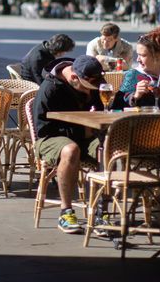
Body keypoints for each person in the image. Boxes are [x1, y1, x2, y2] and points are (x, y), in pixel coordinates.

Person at [112, 25, 160, 203]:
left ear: (158, 56)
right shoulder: (134, 76)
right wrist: (135, 96)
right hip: (138, 136)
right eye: (138, 55)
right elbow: (116, 106)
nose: (138, 59)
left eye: (143, 55)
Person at [32, 55, 104, 234]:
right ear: (73, 77)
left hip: (85, 136)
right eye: (86, 88)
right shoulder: (49, 89)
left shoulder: (89, 80)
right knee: (71, 150)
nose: (90, 93)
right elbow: (44, 129)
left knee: (108, 148)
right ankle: (66, 212)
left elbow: (102, 108)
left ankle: (101, 210)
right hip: (50, 138)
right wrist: (81, 132)